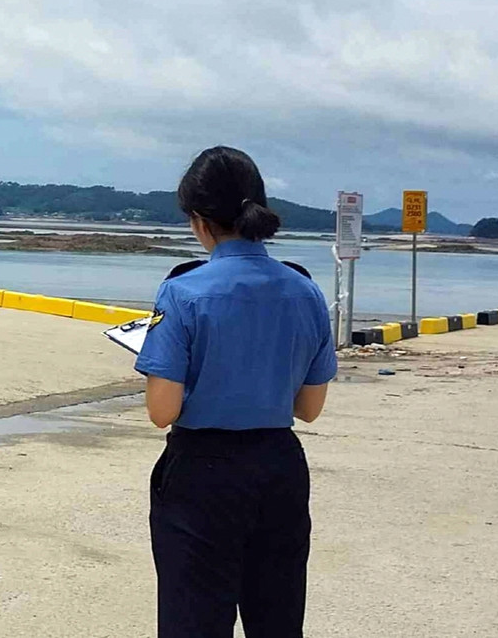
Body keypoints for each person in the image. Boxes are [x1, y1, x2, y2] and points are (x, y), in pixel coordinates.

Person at [135, 146, 335, 638]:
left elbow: (163, 411)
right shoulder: (305, 289)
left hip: (202, 473)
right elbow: (310, 407)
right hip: (279, 468)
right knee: (278, 622)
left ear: (199, 221)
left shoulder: (182, 291)